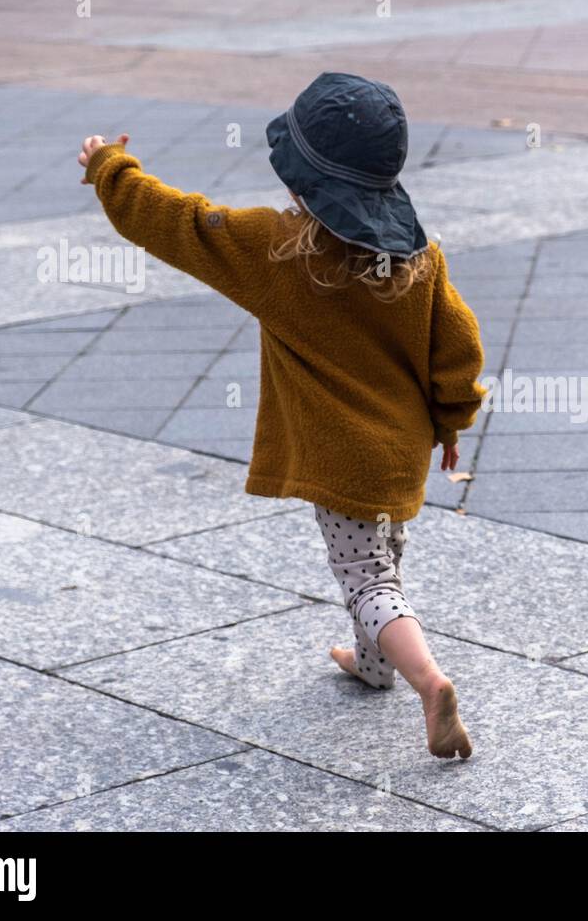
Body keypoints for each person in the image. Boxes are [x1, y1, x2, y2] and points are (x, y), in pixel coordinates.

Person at [78, 72, 486, 759]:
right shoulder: (421, 259)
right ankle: (375, 664)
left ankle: (428, 679)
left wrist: (110, 169)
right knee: (382, 560)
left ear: (299, 181)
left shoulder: (274, 248)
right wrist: (452, 425)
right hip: (404, 454)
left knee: (366, 579)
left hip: (342, 460)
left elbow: (176, 222)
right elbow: (458, 352)